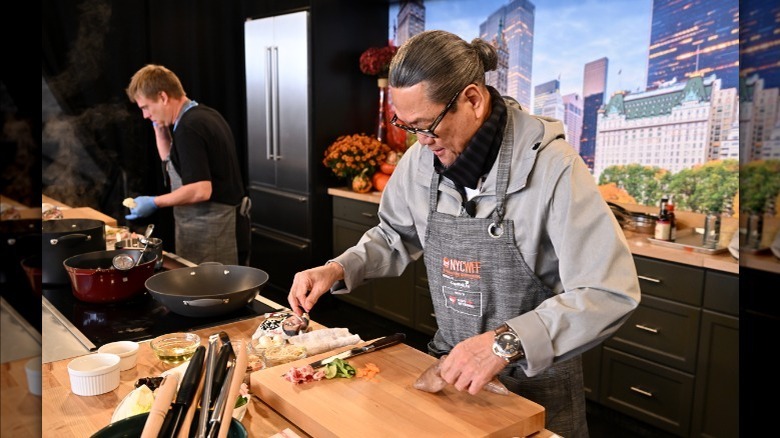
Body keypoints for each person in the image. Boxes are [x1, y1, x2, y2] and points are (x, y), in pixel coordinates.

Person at [288, 30, 640, 437]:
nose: (420, 141)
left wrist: (503, 344)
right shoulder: (421, 161)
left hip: (534, 390)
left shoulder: (554, 167)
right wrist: (338, 268)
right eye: (407, 126)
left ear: (472, 100)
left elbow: (608, 292)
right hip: (449, 375)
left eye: (428, 126)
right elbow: (394, 234)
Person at [124, 64, 250, 266]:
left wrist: (154, 202)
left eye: (146, 107)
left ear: (163, 97)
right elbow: (171, 164)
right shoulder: (200, 116)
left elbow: (201, 190)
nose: (145, 115)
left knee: (213, 295)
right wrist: (159, 128)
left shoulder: (190, 127)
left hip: (212, 232)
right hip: (213, 228)